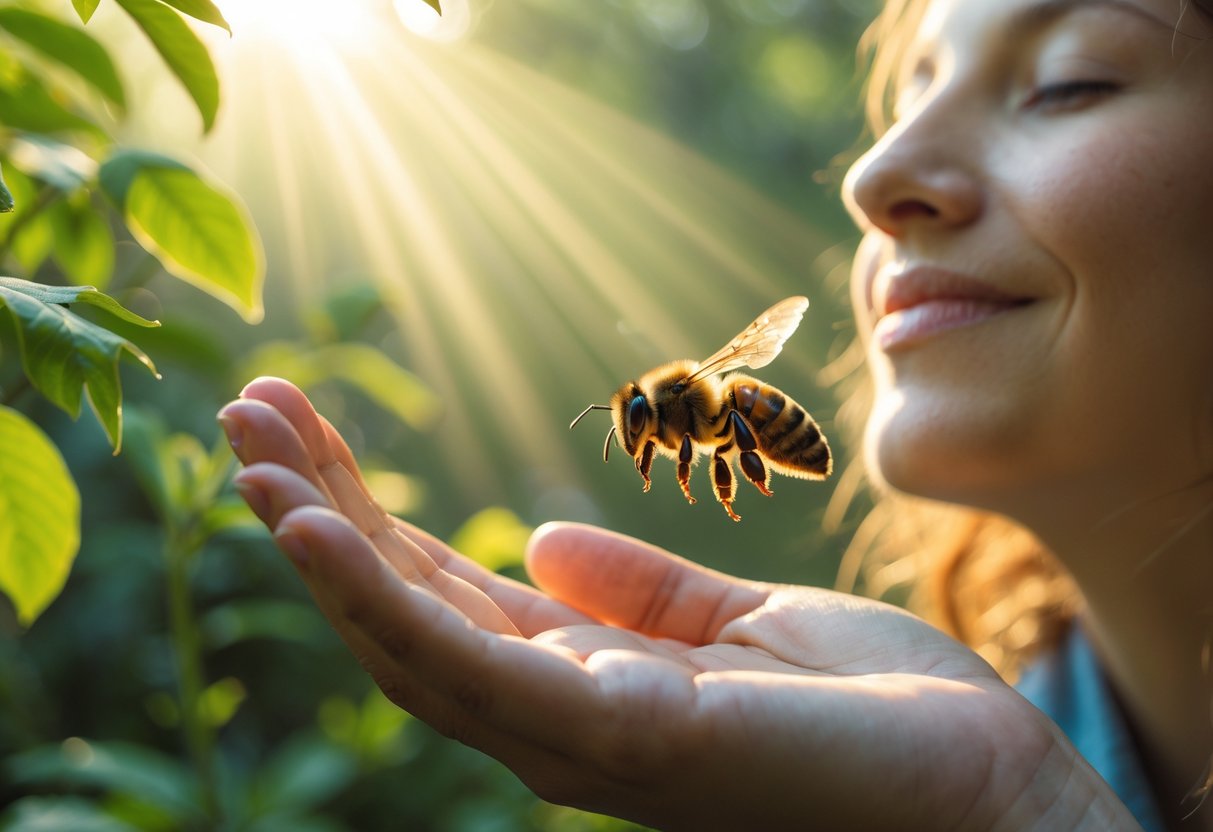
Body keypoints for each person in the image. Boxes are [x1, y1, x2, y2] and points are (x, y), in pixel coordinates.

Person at [217, 0, 1213, 827]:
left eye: (1068, 81)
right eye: (907, 96)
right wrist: (1026, 811)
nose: (872, 176)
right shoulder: (1018, 722)